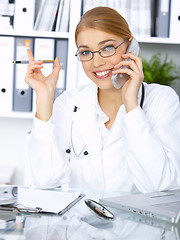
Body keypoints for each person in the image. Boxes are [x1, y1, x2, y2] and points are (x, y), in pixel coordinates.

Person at [25, 7, 180, 193]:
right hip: (81, 221)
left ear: (131, 47)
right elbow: (43, 181)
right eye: (85, 52)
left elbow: (159, 186)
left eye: (107, 48)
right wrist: (43, 97)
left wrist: (131, 106)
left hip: (139, 222)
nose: (96, 63)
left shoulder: (162, 100)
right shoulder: (69, 103)